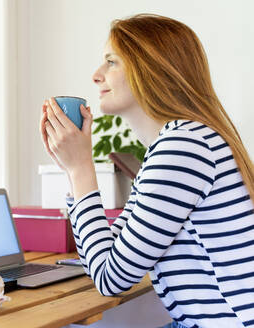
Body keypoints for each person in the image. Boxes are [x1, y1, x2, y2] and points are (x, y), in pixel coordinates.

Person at [40, 14, 254, 328]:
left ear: (151, 70)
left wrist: (82, 167)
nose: (96, 75)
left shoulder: (183, 148)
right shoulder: (181, 144)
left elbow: (110, 279)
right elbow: (108, 254)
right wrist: (73, 172)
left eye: (111, 62)